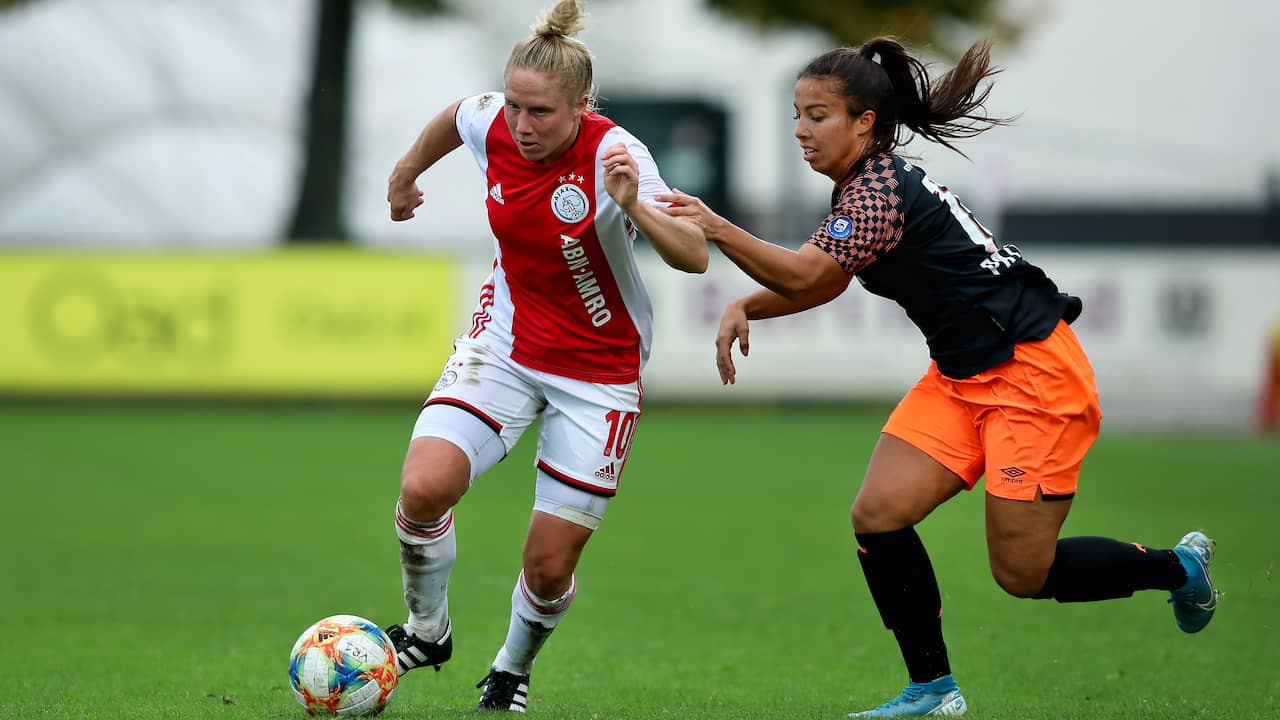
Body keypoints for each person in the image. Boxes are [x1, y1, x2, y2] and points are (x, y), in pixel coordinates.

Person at [658, 37, 1218, 718]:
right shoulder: (863, 187)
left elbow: (808, 274)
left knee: (1023, 573)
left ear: (864, 122)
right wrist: (750, 304)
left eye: (818, 115)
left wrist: (717, 227)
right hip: (959, 377)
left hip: (1031, 375)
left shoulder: (878, 192)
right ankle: (932, 689)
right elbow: (827, 279)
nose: (801, 130)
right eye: (797, 115)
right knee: (877, 514)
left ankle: (1177, 568)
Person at [383, 0, 707, 712]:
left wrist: (636, 206)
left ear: (581, 108)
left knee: (549, 565)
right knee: (423, 489)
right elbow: (455, 117)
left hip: (599, 375)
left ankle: (511, 669)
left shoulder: (618, 156)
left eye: (541, 113)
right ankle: (426, 631)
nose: (522, 125)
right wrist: (406, 174)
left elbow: (695, 255)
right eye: (515, 107)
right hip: (505, 342)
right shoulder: (493, 121)